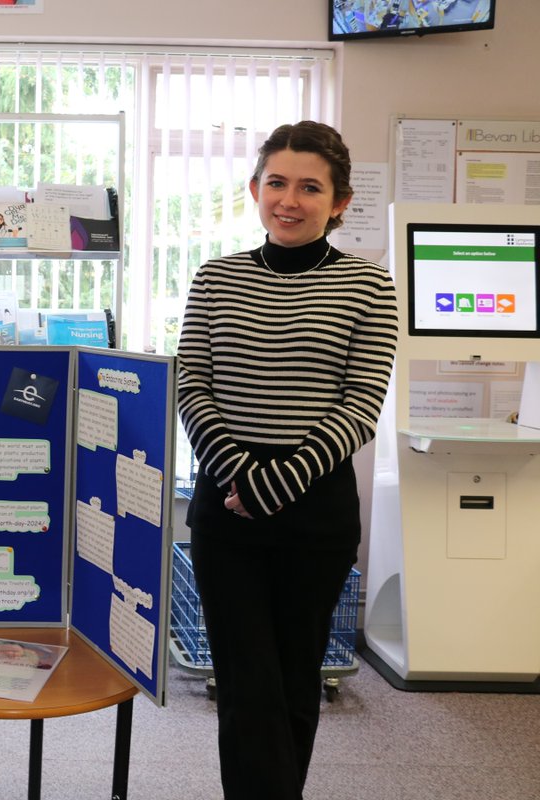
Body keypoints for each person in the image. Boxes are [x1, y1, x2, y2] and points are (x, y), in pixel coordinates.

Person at [176, 120, 398, 800]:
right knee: (247, 680)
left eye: (310, 187)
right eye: (277, 183)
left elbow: (361, 405)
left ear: (339, 202)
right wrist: (240, 475)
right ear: (255, 189)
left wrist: (272, 487)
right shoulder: (216, 278)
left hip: (314, 512)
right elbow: (192, 385)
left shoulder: (369, 286)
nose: (289, 200)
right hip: (226, 505)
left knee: (295, 675)